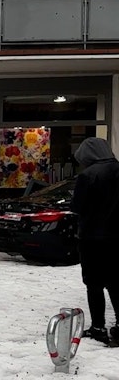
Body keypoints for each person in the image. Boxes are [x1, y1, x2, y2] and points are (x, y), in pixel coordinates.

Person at [70, 138, 119, 345]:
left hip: (93, 238)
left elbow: (77, 206)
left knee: (94, 283)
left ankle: (98, 327)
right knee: (116, 282)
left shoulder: (88, 175)